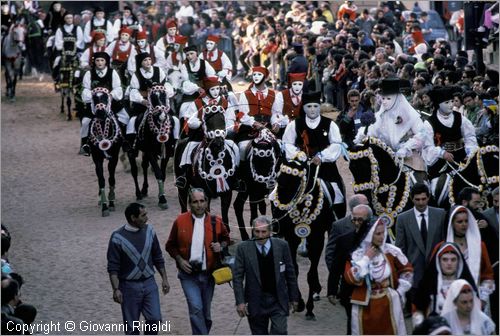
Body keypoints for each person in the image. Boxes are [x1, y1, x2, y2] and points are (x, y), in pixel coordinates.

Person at [165, 188, 230, 335]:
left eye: (202, 201)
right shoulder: (180, 220)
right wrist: (180, 260)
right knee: (195, 308)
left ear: (207, 202)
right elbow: (170, 245)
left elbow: (226, 239)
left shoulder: (216, 221)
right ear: (189, 204)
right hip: (188, 275)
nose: (199, 205)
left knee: (205, 313)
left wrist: (221, 245)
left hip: (208, 275)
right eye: (195, 202)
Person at [106, 203, 170, 335]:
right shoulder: (117, 238)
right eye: (143, 215)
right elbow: (113, 267)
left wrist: (164, 279)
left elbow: (158, 256)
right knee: (132, 327)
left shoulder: (150, 231)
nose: (147, 218)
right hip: (128, 287)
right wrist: (116, 289)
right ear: (133, 218)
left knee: (155, 319)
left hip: (149, 283)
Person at [282, 91, 347, 219]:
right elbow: (287, 144)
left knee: (337, 194)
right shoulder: (295, 124)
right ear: (304, 108)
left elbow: (336, 144)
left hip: (325, 168)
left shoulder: (330, 124)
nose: (312, 109)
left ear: (320, 107)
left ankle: (336, 218)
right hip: (301, 168)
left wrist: (322, 157)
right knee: (282, 192)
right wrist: (298, 155)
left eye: (315, 106)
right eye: (309, 106)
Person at [232, 215, 299, 335]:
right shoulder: (243, 248)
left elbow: (290, 273)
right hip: (255, 301)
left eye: (264, 232)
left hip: (278, 299)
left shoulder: (282, 246)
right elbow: (237, 277)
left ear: (270, 231)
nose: (260, 235)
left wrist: (294, 297)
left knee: (280, 330)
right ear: (252, 230)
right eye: (257, 231)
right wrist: (240, 302)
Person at [345, 218, 413, 334]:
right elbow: (351, 278)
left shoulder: (391, 251)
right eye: (378, 234)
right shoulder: (357, 255)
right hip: (365, 305)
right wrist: (366, 259)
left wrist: (400, 291)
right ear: (369, 235)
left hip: (389, 301)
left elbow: (407, 270)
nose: (382, 237)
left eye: (383, 232)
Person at [354, 77, 427, 181]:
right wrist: (363, 133)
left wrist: (406, 147)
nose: (384, 102)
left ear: (397, 98)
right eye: (383, 99)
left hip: (408, 157)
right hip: (385, 158)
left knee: (418, 181)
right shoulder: (380, 115)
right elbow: (372, 131)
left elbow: (422, 134)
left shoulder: (411, 115)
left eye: (388, 99)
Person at [395, 183, 446, 309]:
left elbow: (445, 241)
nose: (421, 203)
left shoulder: (440, 214)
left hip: (436, 269)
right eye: (417, 200)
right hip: (414, 271)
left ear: (428, 198)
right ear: (412, 199)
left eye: (424, 199)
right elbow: (400, 248)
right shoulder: (403, 218)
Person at [325, 203, 371, 334]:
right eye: (354, 219)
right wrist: (332, 290)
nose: (356, 223)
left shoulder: (377, 239)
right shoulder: (344, 239)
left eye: (360, 220)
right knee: (353, 323)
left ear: (368, 220)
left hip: (371, 291)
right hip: (349, 291)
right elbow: (336, 267)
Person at [413, 242, 477, 326]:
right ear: (438, 261)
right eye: (445, 259)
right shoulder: (429, 284)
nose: (449, 263)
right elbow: (418, 310)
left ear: (459, 262)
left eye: (453, 259)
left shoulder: (467, 285)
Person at [444, 206, 495, 308]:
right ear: (452, 223)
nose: (464, 225)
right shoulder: (443, 247)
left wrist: (483, 299)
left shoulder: (479, 246)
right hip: (450, 300)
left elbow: (488, 274)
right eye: (459, 222)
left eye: (466, 221)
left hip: (476, 299)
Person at [423, 86, 478, 180]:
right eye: (447, 102)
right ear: (438, 104)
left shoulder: (460, 118)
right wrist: (442, 153)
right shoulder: (429, 123)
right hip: (441, 161)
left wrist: (470, 153)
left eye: (452, 101)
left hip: (462, 157)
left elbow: (470, 137)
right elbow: (427, 147)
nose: (451, 105)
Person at [80, 52, 129, 155]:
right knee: (85, 122)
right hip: (95, 103)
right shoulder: (89, 73)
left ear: (106, 62)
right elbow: (86, 90)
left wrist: (110, 96)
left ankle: (125, 141)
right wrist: (93, 97)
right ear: (94, 62)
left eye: (102, 60)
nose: (100, 63)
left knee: (126, 117)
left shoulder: (112, 73)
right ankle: (85, 145)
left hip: (111, 103)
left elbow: (118, 88)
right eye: (97, 60)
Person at [272, 72, 307, 137]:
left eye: (300, 84)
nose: (297, 87)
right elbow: (276, 113)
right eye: (295, 84)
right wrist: (286, 122)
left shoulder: (306, 96)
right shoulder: (281, 95)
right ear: (291, 84)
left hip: (300, 130)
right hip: (284, 128)